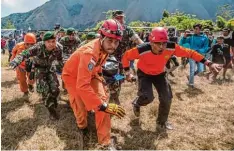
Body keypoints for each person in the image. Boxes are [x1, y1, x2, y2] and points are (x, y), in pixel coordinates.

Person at [122, 27, 221, 133]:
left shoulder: (171, 47)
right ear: (151, 42)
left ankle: (162, 122)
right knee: (147, 97)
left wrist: (209, 63)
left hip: (160, 74)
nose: (161, 47)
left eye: (163, 43)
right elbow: (126, 57)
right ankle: (137, 103)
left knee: (167, 98)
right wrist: (127, 73)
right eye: (157, 43)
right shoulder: (142, 49)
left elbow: (190, 53)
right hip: (144, 74)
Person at [62, 19, 126, 149]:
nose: (113, 45)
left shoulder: (104, 48)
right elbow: (82, 85)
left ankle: (105, 142)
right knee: (80, 105)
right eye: (110, 40)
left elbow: (97, 66)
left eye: (116, 42)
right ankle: (82, 127)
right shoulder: (89, 52)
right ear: (101, 37)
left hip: (91, 74)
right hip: (72, 77)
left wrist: (102, 104)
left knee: (103, 103)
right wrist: (101, 106)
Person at [10, 31, 63, 120]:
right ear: (44, 42)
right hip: (39, 68)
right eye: (48, 42)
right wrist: (16, 60)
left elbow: (60, 59)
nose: (51, 44)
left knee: (55, 89)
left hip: (50, 68)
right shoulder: (37, 47)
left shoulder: (59, 48)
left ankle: (52, 101)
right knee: (45, 89)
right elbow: (25, 53)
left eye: (53, 41)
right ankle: (51, 110)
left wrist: (61, 68)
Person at [109, 10, 143, 104]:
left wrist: (146, 48)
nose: (120, 19)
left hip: (123, 59)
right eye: (117, 18)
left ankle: (115, 91)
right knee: (112, 77)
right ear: (113, 18)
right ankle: (114, 95)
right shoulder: (109, 28)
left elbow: (137, 39)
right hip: (109, 59)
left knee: (120, 78)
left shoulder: (127, 29)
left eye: (121, 17)